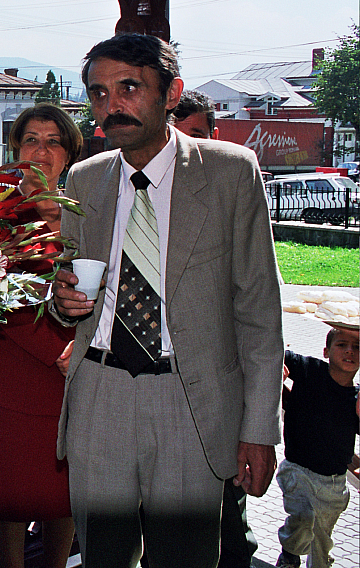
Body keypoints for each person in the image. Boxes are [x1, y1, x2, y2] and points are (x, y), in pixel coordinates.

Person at [52, 33, 283, 568]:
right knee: (102, 556)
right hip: (99, 393)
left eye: (129, 88)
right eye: (99, 93)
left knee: (184, 556)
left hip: (190, 398)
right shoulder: (84, 180)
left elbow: (260, 313)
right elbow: (67, 283)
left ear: (171, 92)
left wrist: (258, 430)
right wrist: (62, 300)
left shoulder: (229, 172)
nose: (113, 106)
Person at [0, 103, 82, 568]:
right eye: (31, 140)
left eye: (53, 141)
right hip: (12, 377)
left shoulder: (87, 212)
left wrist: (78, 351)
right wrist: (56, 351)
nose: (42, 150)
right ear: (15, 149)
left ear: (69, 153)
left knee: (65, 494)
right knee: (11, 496)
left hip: (74, 376)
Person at [168, 87, 257, 568]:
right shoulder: (136, 202)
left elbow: (259, 302)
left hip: (217, 400)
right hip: (155, 404)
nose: (188, 149)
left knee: (228, 531)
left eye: (198, 136)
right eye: (177, 137)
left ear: (215, 136)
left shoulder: (232, 190)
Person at [275, 326, 359, 568]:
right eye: (342, 344)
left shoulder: (357, 398)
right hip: (297, 470)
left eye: (357, 347)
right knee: (303, 518)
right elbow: (273, 350)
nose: (350, 351)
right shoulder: (309, 370)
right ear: (326, 351)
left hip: (333, 482)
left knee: (322, 536)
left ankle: (320, 562)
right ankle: (290, 553)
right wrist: (274, 366)